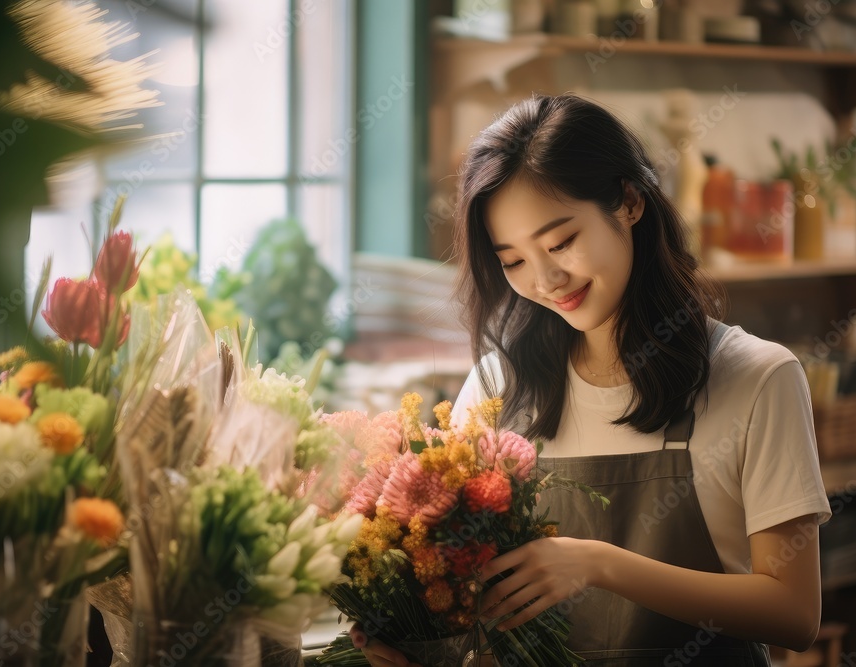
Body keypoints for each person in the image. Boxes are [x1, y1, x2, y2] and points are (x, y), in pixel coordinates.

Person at [351, 94, 831, 666]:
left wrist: (599, 565)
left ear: (629, 202)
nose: (547, 278)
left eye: (561, 242)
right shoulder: (496, 388)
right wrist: (415, 638)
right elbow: (467, 604)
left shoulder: (758, 377)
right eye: (513, 260)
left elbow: (793, 614)